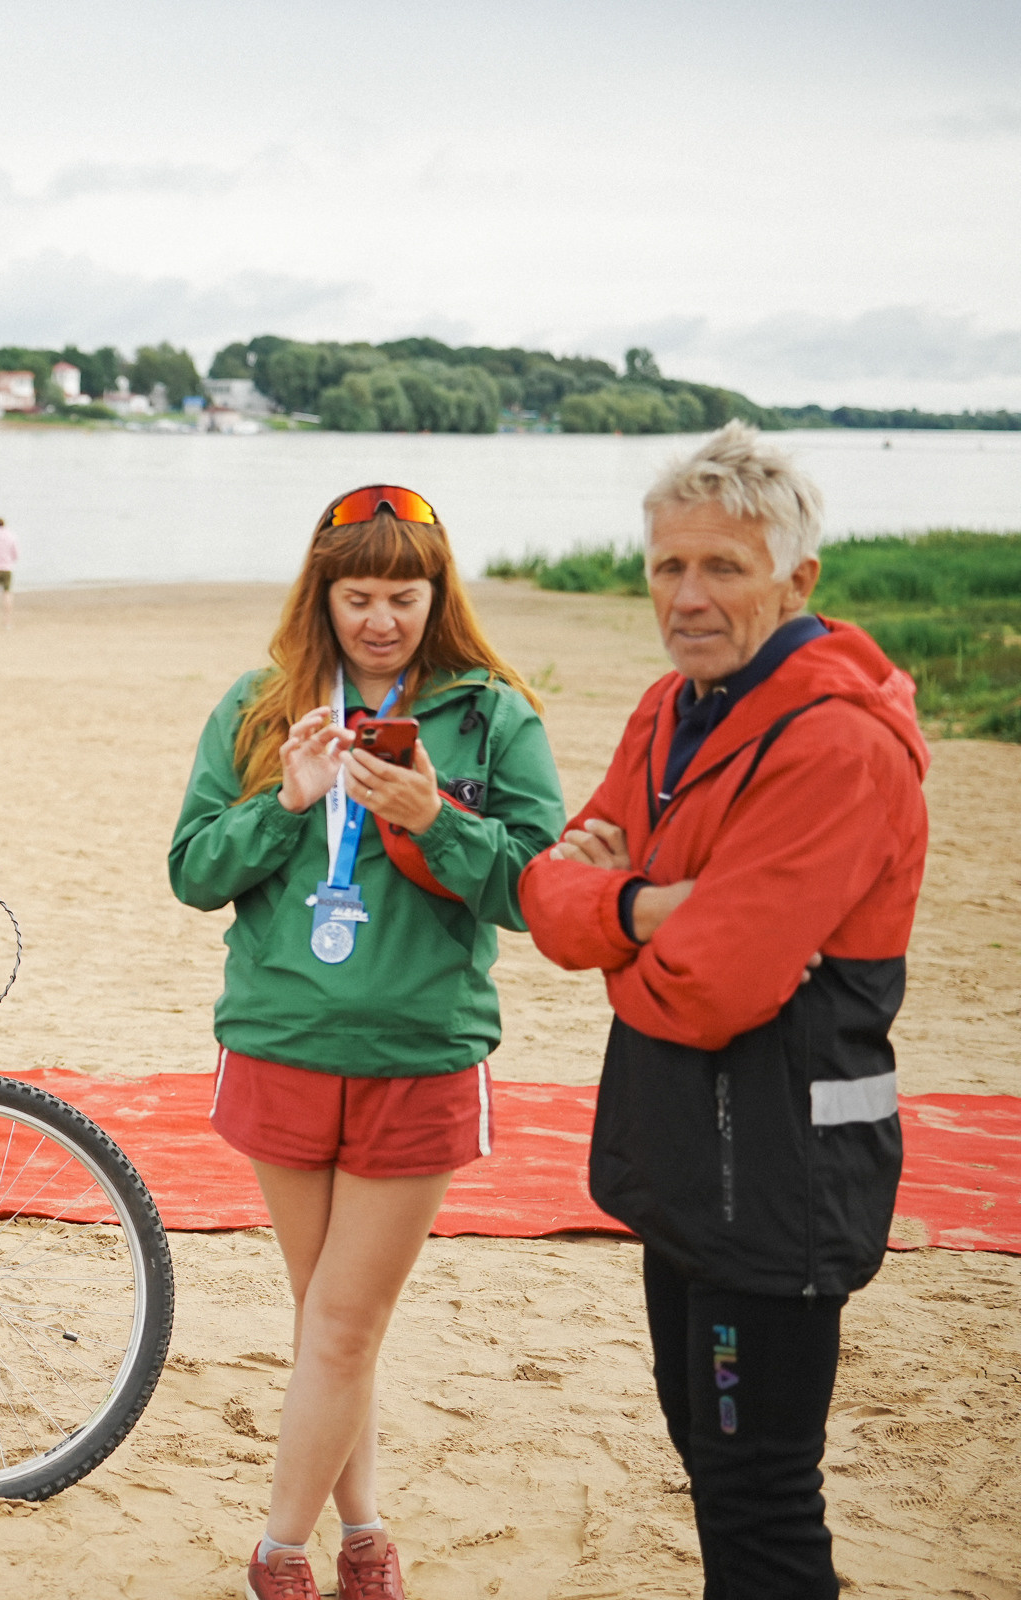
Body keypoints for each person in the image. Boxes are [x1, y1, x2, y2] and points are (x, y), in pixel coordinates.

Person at [518, 423, 927, 1599]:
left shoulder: (839, 743)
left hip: (785, 1181)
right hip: (684, 1166)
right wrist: (644, 907)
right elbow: (550, 895)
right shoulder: (671, 707)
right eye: (667, 566)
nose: (688, 597)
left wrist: (615, 910)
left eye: (723, 568)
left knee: (758, 1499)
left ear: (799, 580)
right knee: (711, 1465)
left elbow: (713, 991)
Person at [169, 485, 566, 1600]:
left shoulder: (491, 715)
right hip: (281, 1038)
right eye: (359, 595)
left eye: (404, 593)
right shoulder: (262, 706)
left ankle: (278, 1552)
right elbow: (193, 871)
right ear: (323, 595)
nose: (381, 617)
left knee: (343, 1320)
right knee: (328, 1322)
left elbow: (542, 892)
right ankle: (369, 1536)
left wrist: (438, 816)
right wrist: (286, 803)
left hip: (420, 1049)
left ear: (438, 597)